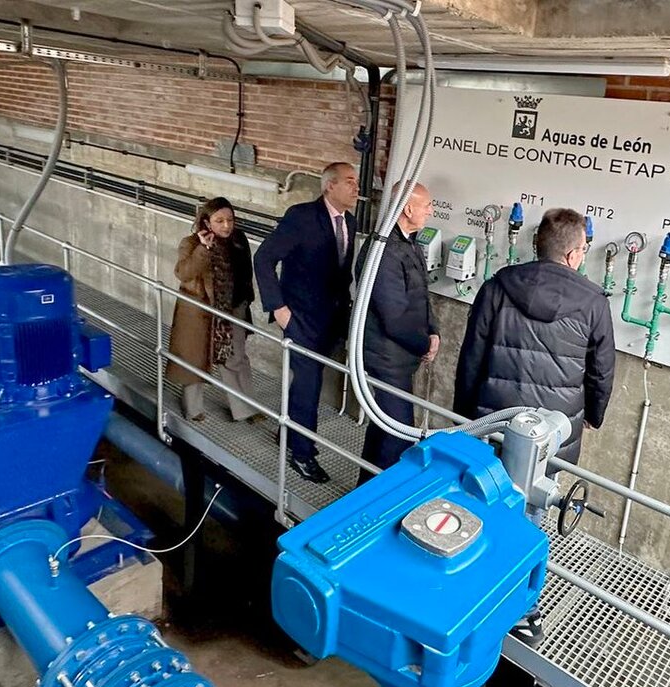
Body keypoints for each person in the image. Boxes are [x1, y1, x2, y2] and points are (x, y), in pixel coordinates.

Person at [453, 206, 616, 647]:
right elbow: (601, 373)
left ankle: (469, 588)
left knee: (484, 502)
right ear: (573, 254)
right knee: (534, 514)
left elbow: (472, 356)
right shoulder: (593, 302)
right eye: (583, 248)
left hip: (495, 423)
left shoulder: (497, 287)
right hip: (552, 432)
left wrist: (468, 415)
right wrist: (594, 416)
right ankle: (524, 612)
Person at [253, 162, 358, 484]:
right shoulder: (301, 217)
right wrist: (279, 308)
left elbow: (339, 274)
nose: (357, 189)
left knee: (305, 382)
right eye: (350, 182)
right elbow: (264, 259)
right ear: (330, 186)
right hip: (300, 319)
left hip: (331, 318)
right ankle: (302, 454)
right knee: (308, 383)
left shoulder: (349, 222)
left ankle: (289, 430)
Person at [354, 182, 439, 483]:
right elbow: (393, 317)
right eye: (427, 204)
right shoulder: (384, 251)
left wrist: (434, 330)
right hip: (384, 358)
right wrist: (423, 344)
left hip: (399, 356)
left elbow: (420, 295)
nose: (431, 210)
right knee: (399, 435)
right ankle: (381, 506)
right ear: (408, 209)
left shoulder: (408, 242)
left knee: (383, 428)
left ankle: (362, 492)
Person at [166, 197, 263, 424]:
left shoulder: (239, 239)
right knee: (196, 358)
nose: (227, 226)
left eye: (230, 220)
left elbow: (245, 273)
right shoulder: (190, 243)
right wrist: (204, 248)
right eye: (220, 221)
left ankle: (245, 408)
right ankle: (193, 408)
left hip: (233, 308)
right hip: (200, 312)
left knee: (236, 357)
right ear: (207, 223)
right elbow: (184, 273)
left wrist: (245, 301)